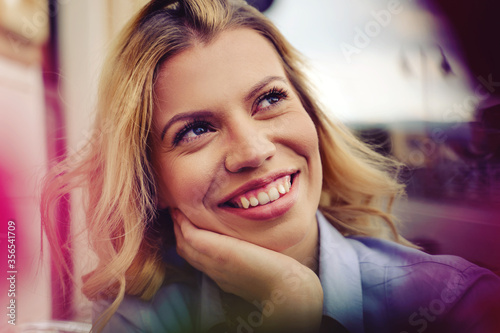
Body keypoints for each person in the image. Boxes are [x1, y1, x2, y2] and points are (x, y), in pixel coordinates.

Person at [42, 0, 500, 332]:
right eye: (195, 129)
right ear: (151, 182)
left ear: (311, 115)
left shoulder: (457, 306)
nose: (252, 150)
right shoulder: (136, 322)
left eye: (269, 99)